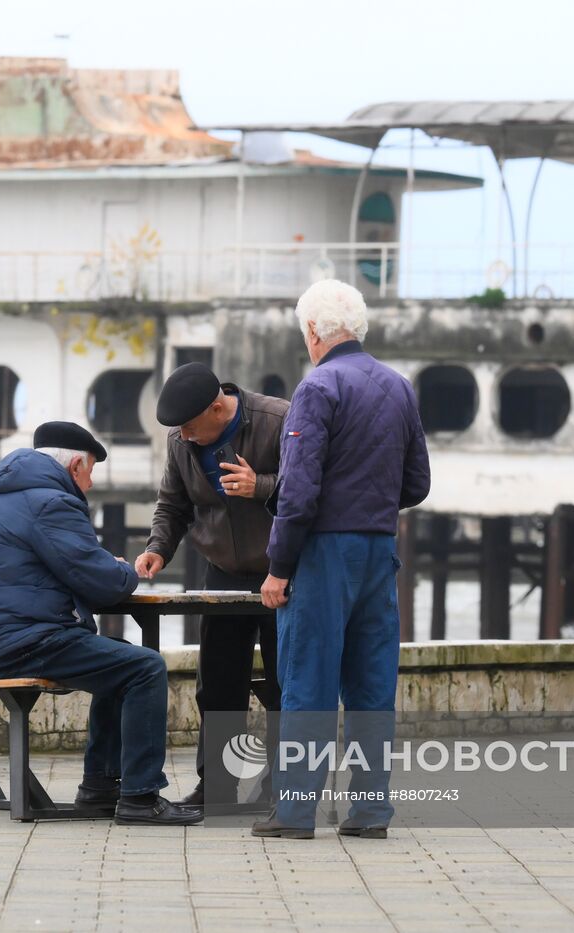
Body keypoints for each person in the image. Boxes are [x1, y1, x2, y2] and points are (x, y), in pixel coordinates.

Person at [253, 280, 431, 840]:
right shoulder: (399, 387)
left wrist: (279, 567)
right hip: (380, 550)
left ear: (313, 331)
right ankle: (371, 814)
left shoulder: (318, 387)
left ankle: (296, 814)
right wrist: (369, 504)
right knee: (372, 685)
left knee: (307, 680)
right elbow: (418, 483)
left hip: (324, 552)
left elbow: (297, 491)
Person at [0, 420, 202, 827]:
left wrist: (100, 569)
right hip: (23, 640)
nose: (89, 484)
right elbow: (102, 582)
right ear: (74, 466)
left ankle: (100, 789)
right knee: (145, 667)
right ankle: (141, 797)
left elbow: (70, 565)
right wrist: (124, 570)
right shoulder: (51, 501)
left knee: (119, 665)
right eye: (90, 472)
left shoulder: (0, 494)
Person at [135, 363, 288, 807]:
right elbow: (173, 504)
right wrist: (158, 548)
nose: (183, 435)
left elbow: (311, 487)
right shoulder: (180, 440)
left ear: (219, 408)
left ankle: (281, 788)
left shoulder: (280, 420)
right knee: (218, 682)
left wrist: (258, 485)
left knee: (286, 682)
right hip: (221, 571)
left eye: (189, 426)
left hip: (281, 570)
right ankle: (216, 787)